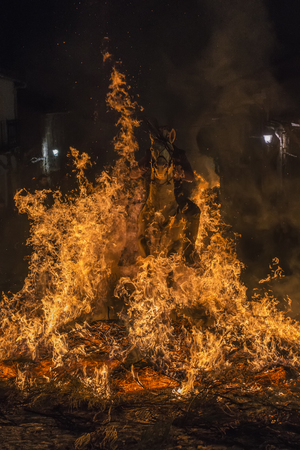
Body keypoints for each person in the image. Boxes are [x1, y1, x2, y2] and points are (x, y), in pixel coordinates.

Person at [131, 124, 200, 264]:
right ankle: (133, 253)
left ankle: (188, 252)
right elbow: (133, 174)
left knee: (194, 212)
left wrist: (179, 172)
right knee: (134, 212)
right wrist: (143, 167)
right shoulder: (151, 153)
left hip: (176, 197)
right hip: (153, 196)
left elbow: (191, 176)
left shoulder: (179, 154)